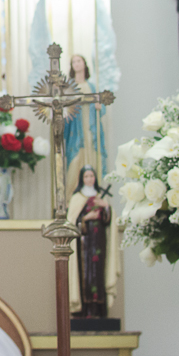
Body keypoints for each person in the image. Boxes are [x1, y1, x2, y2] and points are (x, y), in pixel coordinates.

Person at [68, 165, 118, 319]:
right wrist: (86, 218)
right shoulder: (77, 199)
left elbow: (109, 221)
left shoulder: (101, 198)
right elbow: (72, 221)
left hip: (99, 242)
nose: (89, 179)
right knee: (86, 276)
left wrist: (106, 208)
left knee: (98, 274)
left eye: (92, 176)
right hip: (83, 245)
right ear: (82, 179)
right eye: (86, 176)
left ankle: (99, 310)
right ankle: (85, 310)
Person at [64, 54, 107, 183]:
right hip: (76, 132)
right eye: (74, 62)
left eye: (79, 61)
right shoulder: (69, 88)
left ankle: (94, 192)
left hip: (91, 129)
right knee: (75, 162)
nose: (76, 64)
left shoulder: (92, 87)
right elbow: (64, 109)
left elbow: (101, 109)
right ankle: (74, 195)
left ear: (84, 64)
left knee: (93, 158)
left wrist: (99, 106)